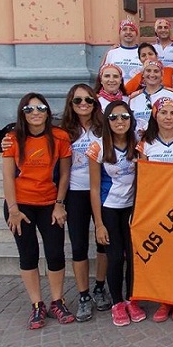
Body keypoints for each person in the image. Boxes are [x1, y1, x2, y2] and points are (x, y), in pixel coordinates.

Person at [3, 93, 74, 329]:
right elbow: (7, 177)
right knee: (28, 254)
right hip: (20, 205)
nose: (35, 113)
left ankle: (57, 301)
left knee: (55, 253)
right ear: (22, 113)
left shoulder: (59, 136)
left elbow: (65, 173)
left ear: (47, 112)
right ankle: (36, 304)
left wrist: (59, 203)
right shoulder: (13, 139)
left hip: (49, 203)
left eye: (40, 108)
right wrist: (13, 209)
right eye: (29, 109)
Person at [136, 98, 173, 323]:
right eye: (163, 113)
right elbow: (143, 176)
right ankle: (164, 300)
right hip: (157, 205)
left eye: (172, 113)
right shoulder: (146, 143)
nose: (168, 117)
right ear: (155, 115)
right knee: (161, 254)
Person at [87, 100, 144, 327]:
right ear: (107, 121)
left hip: (132, 208)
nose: (120, 121)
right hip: (109, 207)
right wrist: (99, 224)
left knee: (132, 256)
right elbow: (93, 188)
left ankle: (131, 299)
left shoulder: (139, 143)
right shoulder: (98, 147)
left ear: (131, 120)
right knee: (115, 256)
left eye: (124, 117)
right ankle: (117, 303)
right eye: (114, 117)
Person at [60, 85, 113, 322]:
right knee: (79, 245)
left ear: (95, 103)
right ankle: (83, 295)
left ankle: (100, 287)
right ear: (71, 104)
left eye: (88, 100)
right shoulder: (64, 131)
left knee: (104, 242)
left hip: (101, 190)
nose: (83, 104)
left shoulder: (104, 128)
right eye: (78, 100)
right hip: (76, 192)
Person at [129, 59, 173, 134]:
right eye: (148, 71)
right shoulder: (134, 97)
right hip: (139, 139)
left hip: (164, 139)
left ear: (162, 74)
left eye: (156, 71)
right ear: (143, 74)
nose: (152, 74)